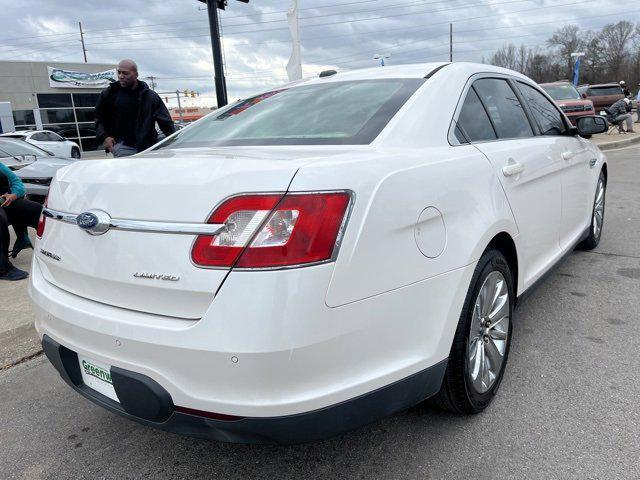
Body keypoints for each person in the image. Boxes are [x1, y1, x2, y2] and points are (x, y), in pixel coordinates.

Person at [95, 59, 175, 157]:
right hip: (122, 147)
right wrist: (104, 137)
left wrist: (175, 142)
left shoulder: (150, 97)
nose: (121, 76)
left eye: (125, 73)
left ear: (136, 75)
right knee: (126, 172)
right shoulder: (110, 94)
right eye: (119, 73)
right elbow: (99, 117)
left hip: (148, 148)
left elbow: (166, 123)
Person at [0, 163, 42, 281]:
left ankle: (52, 251)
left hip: (5, 201)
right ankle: (3, 268)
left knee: (36, 209)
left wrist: (14, 195)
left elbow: (17, 182)